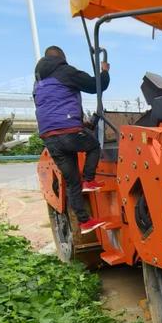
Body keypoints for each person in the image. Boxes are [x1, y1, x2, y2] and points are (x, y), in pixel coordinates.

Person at [34, 45, 110, 234]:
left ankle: (84, 222)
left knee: (72, 181)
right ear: (62, 56)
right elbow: (96, 86)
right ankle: (89, 179)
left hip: (49, 138)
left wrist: (82, 122)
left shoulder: (38, 83)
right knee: (93, 146)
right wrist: (104, 71)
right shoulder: (65, 71)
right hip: (68, 131)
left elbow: (53, 107)